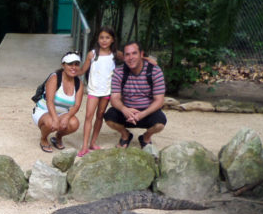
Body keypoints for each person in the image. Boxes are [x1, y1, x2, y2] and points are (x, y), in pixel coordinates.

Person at [103, 41, 166, 148]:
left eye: (134, 53)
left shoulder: (154, 71)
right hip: (127, 112)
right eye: (127, 54)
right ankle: (125, 135)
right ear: (123, 57)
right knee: (109, 117)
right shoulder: (119, 72)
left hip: (147, 112)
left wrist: (142, 114)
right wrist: (124, 110)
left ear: (141, 54)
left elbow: (159, 100)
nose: (131, 57)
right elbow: (114, 98)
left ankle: (146, 137)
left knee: (160, 123)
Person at [76, 27, 117, 158]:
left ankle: (93, 142)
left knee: (100, 115)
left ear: (112, 40)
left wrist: (147, 59)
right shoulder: (92, 54)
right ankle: (84, 146)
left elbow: (132, 58)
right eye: (101, 37)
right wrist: (71, 71)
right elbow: (82, 71)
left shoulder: (115, 54)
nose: (104, 40)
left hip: (107, 91)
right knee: (89, 116)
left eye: (107, 38)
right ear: (97, 39)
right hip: (93, 90)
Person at [32, 51, 84, 153]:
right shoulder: (55, 77)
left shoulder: (79, 83)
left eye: (76, 64)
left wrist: (67, 117)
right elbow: (49, 101)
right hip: (43, 110)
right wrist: (56, 119)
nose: (74, 67)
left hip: (62, 112)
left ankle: (58, 136)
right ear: (63, 65)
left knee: (74, 123)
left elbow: (77, 105)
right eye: (70, 64)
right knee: (51, 122)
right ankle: (43, 138)